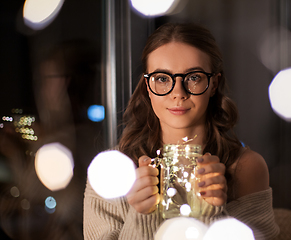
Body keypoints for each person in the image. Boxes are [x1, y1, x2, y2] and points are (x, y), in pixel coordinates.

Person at [83, 22, 279, 240]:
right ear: (147, 86)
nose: (178, 92)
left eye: (193, 77)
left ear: (214, 84)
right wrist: (141, 217)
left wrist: (211, 214)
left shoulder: (246, 168)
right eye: (162, 79)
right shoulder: (111, 172)